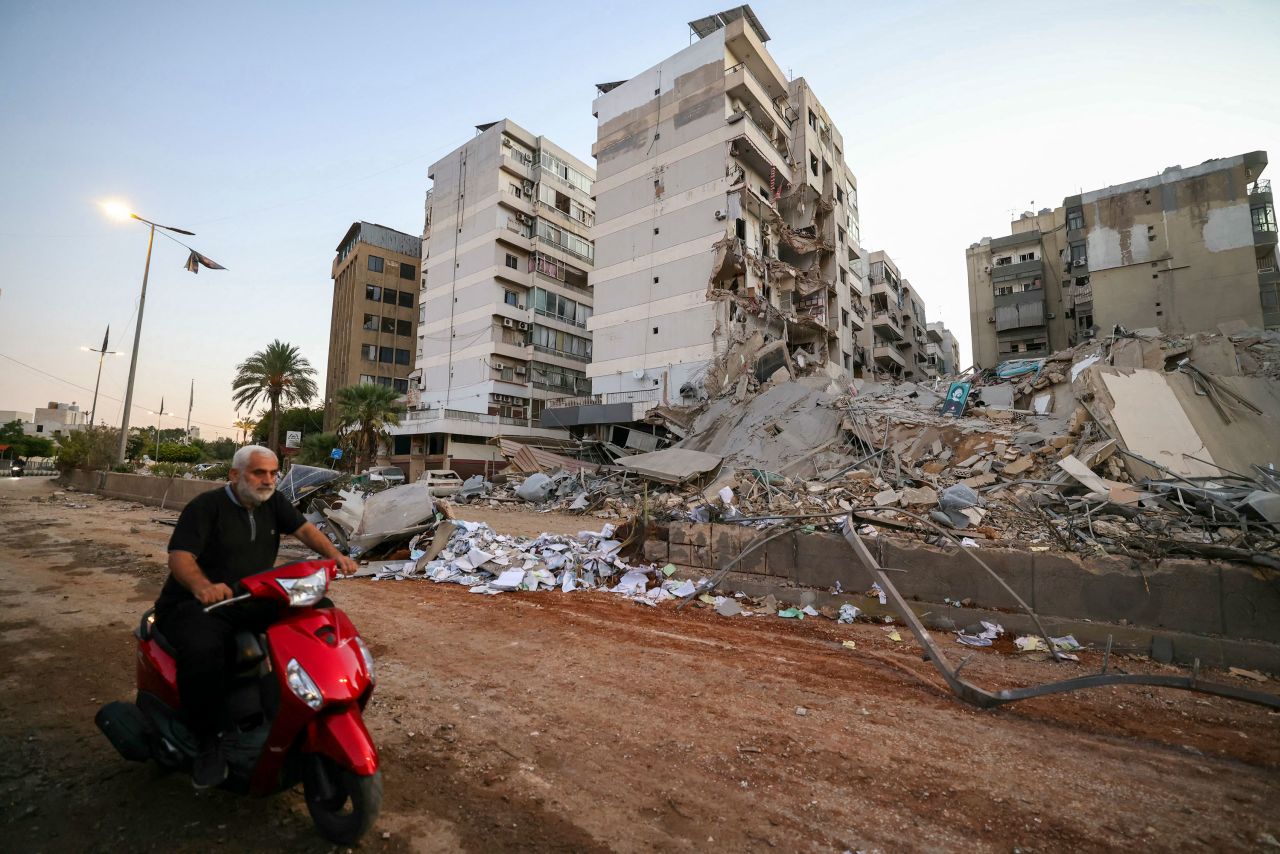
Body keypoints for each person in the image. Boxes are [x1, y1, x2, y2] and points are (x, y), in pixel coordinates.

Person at [154, 444, 358, 788]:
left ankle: (300, 701)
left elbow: (305, 530)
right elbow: (180, 556)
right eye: (258, 473)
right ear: (235, 475)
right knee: (203, 654)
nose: (267, 480)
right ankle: (208, 740)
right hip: (199, 604)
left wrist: (335, 555)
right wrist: (203, 586)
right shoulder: (206, 507)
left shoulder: (273, 501)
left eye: (273, 473)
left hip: (253, 596)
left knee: (318, 614)